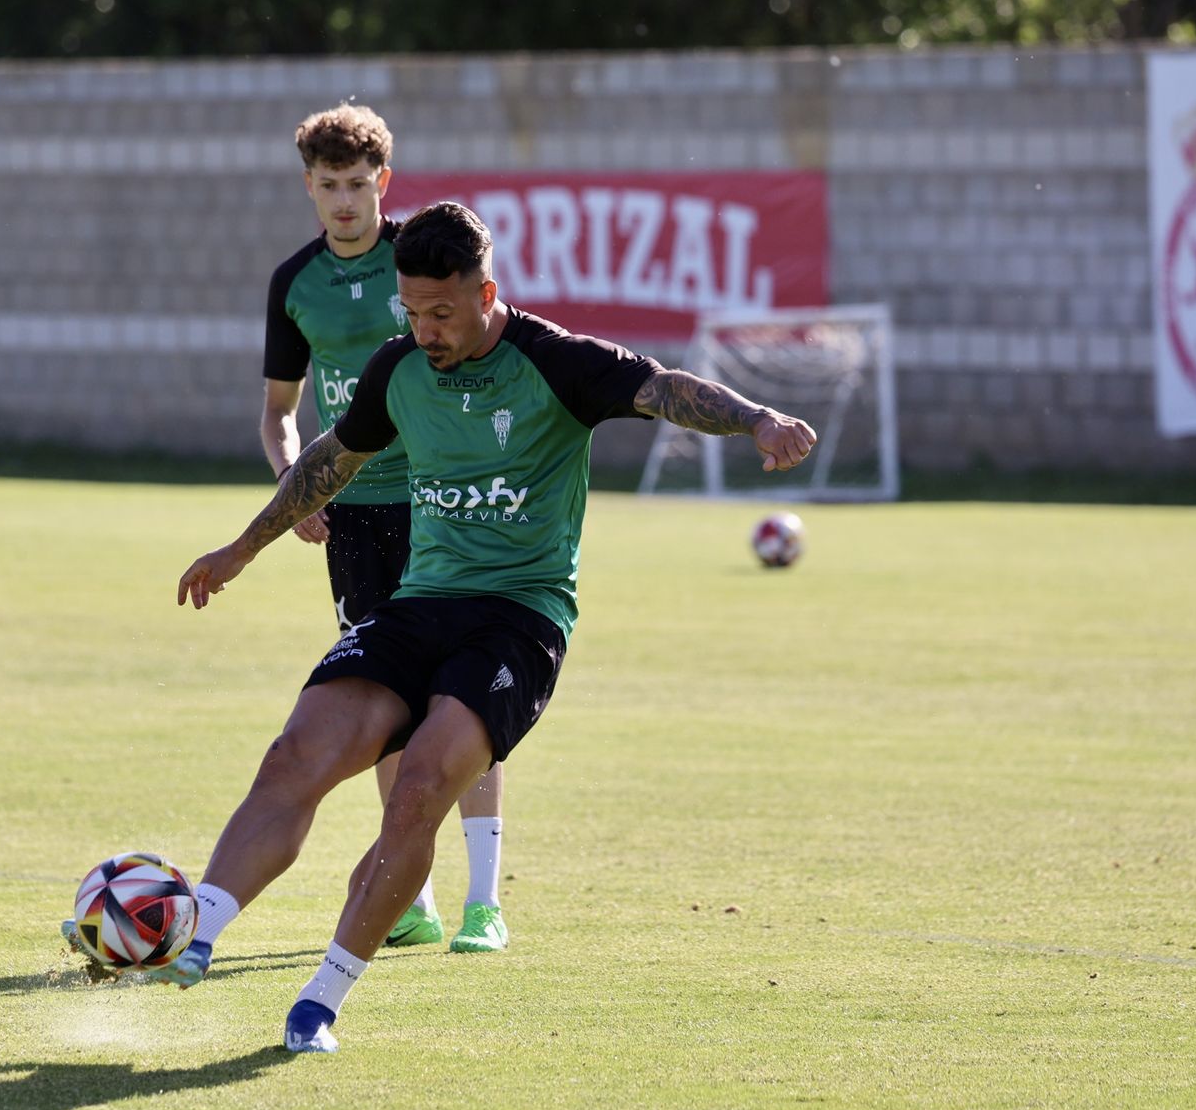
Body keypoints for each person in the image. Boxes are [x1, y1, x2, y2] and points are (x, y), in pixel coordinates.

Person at [164, 201, 817, 1054]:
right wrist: (244, 547)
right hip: (418, 604)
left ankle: (320, 999)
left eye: (443, 311)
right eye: (412, 311)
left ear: (487, 293)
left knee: (422, 787)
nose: (425, 329)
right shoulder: (396, 367)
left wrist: (759, 419)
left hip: (518, 619)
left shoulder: (557, 361)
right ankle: (196, 932)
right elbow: (330, 460)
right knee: (297, 754)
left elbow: (665, 389)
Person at [259, 103, 509, 953]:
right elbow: (277, 415)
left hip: (443, 500)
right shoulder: (293, 284)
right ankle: (418, 897)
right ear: (309, 187)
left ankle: (487, 902)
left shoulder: (423, 260)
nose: (343, 201)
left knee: (468, 696)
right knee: (385, 706)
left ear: (383, 184)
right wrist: (297, 483)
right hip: (356, 517)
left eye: (358, 185)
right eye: (327, 185)